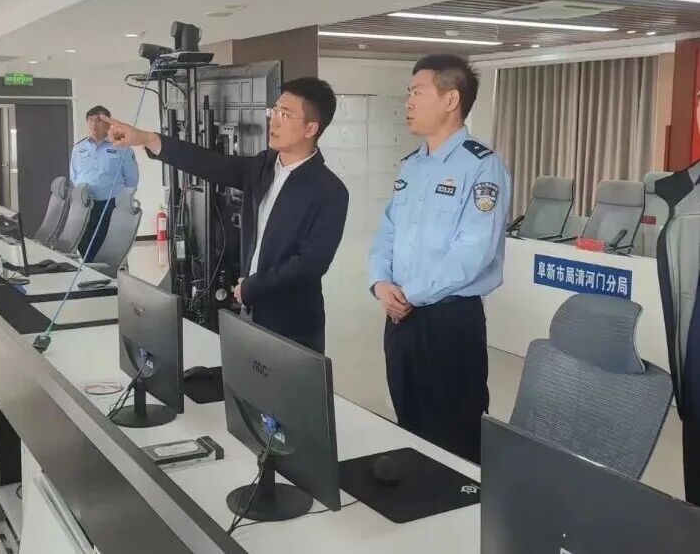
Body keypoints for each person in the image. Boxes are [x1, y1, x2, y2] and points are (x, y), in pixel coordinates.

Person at [103, 77, 349, 353]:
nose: (273, 120)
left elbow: (309, 264)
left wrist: (253, 287)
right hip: (250, 310)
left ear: (311, 128)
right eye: (274, 111)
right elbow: (211, 164)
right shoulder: (264, 166)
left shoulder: (329, 191)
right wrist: (147, 138)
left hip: (292, 321)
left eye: (285, 114)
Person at [368, 54, 511, 464]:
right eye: (408, 93)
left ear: (451, 100)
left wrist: (409, 294)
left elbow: (473, 253)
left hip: (449, 322)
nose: (408, 102)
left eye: (417, 92)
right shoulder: (411, 166)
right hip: (400, 318)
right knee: (409, 425)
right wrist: (380, 282)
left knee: (456, 437)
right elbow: (388, 232)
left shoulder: (482, 167)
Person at [69, 105, 139, 261]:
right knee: (84, 243)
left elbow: (132, 178)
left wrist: (123, 201)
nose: (93, 124)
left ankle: (111, 273)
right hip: (86, 203)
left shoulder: (121, 147)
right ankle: (90, 271)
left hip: (111, 204)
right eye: (90, 120)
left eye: (98, 120)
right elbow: (74, 176)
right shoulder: (78, 148)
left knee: (110, 246)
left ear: (108, 124)